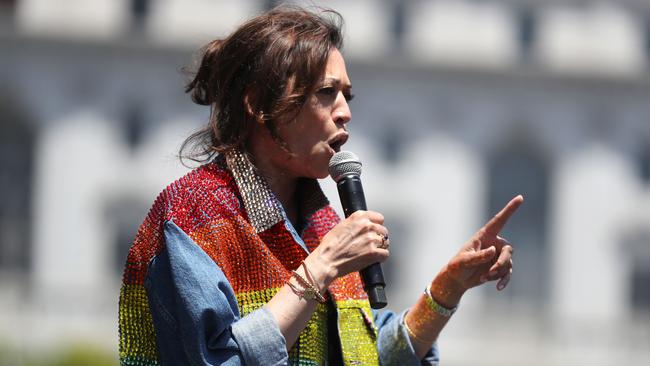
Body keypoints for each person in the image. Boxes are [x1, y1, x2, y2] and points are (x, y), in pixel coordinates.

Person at [118, 6, 523, 366]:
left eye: (346, 95)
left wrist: (446, 289)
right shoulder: (192, 213)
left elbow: (367, 354)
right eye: (326, 93)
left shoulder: (322, 223)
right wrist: (321, 268)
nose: (345, 113)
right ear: (260, 103)